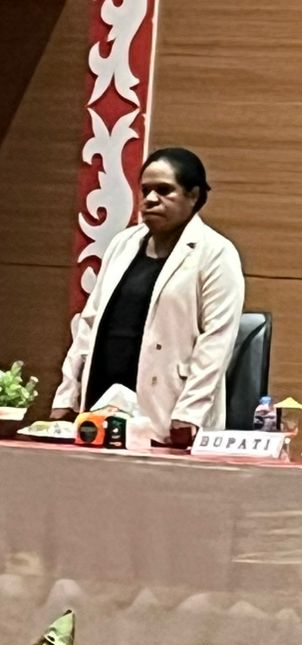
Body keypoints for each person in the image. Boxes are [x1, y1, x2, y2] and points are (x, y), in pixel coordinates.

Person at [52, 148, 245, 448]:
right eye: (145, 190)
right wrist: (67, 395)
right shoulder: (122, 244)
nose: (151, 199)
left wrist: (189, 414)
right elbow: (88, 325)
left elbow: (216, 342)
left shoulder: (216, 253)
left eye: (164, 190)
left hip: (169, 411)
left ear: (193, 196)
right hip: (101, 406)